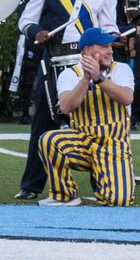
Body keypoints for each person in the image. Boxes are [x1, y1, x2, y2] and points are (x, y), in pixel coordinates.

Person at [15, 0, 119, 201]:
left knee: (95, 124)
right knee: (44, 124)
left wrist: (112, 39)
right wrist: (39, 32)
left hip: (91, 64)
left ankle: (104, 184)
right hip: (56, 61)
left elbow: (108, 25)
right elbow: (25, 21)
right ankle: (32, 185)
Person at [37, 28, 134, 206]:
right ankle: (65, 195)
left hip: (113, 145)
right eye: (104, 46)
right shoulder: (70, 74)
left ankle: (105, 182)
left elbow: (127, 98)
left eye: (110, 46)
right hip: (83, 141)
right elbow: (66, 107)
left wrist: (99, 79)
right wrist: (85, 80)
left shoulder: (121, 69)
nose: (110, 50)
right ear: (87, 50)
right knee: (49, 139)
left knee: (119, 200)